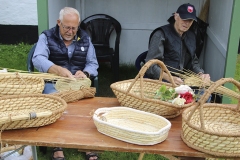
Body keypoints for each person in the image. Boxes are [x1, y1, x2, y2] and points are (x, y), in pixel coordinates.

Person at [32, 7, 99, 160]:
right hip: (53, 82)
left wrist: (85, 73)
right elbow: (37, 58)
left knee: (88, 105)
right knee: (54, 100)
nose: (70, 31)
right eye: (66, 27)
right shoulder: (47, 36)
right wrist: (57, 70)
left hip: (77, 83)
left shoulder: (85, 38)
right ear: (58, 23)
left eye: (74, 28)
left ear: (78, 25)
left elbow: (93, 63)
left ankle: (86, 142)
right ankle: (57, 144)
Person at [145, 3, 211, 99]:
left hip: (182, 81)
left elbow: (193, 62)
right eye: (184, 19)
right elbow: (150, 65)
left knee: (205, 96)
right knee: (174, 100)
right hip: (162, 80)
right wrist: (169, 77)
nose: (187, 23)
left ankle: (192, 114)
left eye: (190, 20)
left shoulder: (191, 36)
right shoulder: (161, 34)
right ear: (176, 16)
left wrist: (200, 74)